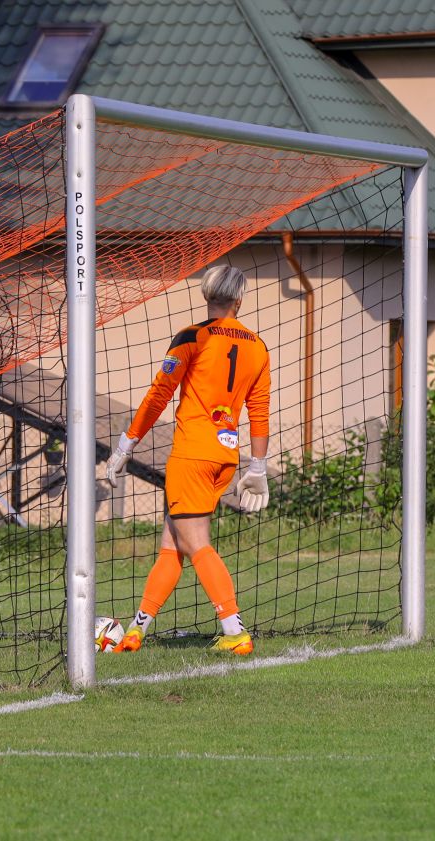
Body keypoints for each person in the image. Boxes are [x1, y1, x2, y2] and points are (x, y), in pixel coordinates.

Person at [105, 265, 271, 656]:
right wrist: (258, 466)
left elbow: (158, 395)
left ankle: (235, 631)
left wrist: (125, 446)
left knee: (196, 544)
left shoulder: (191, 337)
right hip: (225, 457)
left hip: (191, 454)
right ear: (240, 299)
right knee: (172, 544)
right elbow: (260, 411)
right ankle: (136, 631)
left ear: (206, 294)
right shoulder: (258, 346)